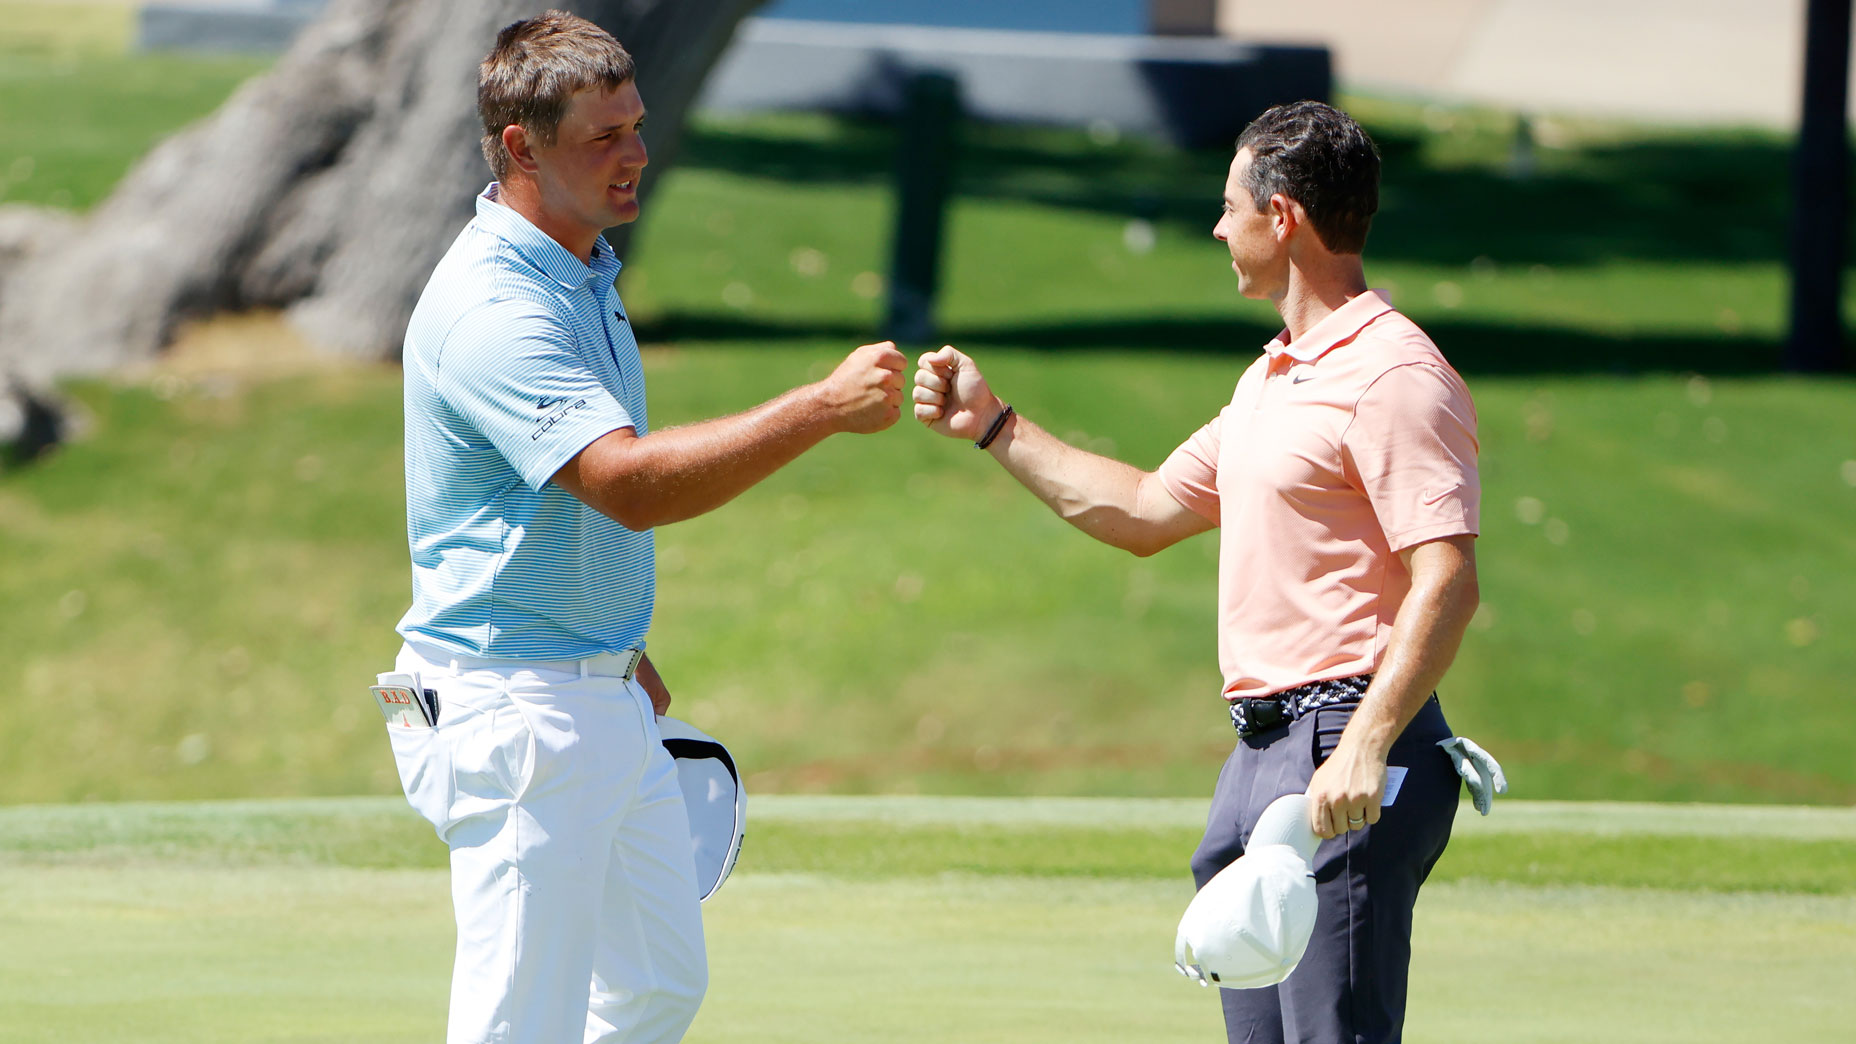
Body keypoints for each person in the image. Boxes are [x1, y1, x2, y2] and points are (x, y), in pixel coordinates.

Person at [382, 11, 905, 1044]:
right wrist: (819, 408)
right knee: (516, 1022)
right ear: (521, 148)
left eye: (635, 126)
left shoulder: (580, 272)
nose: (636, 156)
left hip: (591, 683)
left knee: (654, 986)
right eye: (603, 138)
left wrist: (619, 637)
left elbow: (544, 505)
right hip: (514, 710)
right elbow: (623, 483)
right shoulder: (496, 306)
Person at [911, 100, 1481, 1044]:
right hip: (1262, 749)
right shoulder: (1272, 379)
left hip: (1343, 742)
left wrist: (1367, 745)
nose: (1219, 227)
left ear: (1283, 215)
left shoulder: (1392, 375)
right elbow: (1141, 510)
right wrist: (994, 424)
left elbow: (1448, 580)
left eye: (1230, 206)